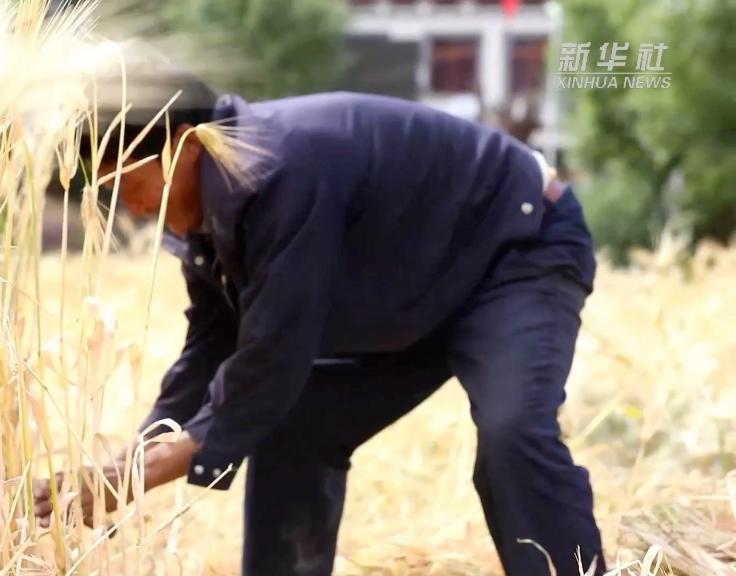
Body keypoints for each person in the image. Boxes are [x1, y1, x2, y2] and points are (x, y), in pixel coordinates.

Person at [34, 63, 605, 576]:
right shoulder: (211, 208)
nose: (132, 207)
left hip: (515, 247)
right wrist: (128, 463)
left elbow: (274, 352)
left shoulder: (280, 171)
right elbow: (213, 342)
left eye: (129, 185)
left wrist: (143, 474)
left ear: (183, 145)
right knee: (295, 424)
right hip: (415, 282)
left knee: (511, 434)